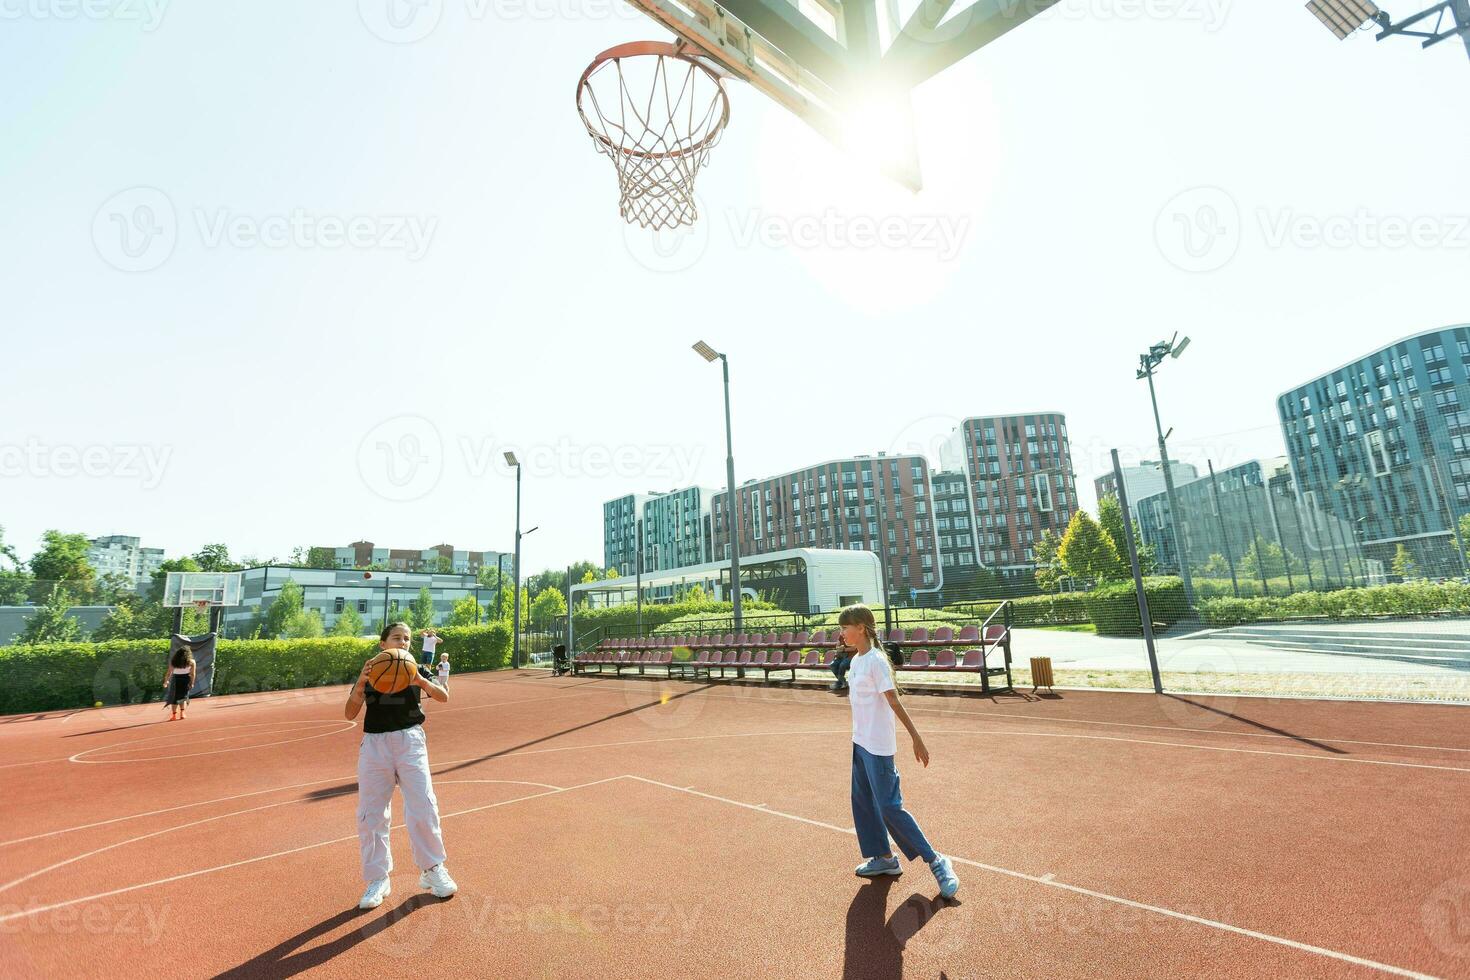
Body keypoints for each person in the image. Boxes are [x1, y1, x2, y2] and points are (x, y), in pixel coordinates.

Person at [838, 603, 959, 899]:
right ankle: (884, 858)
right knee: (863, 801)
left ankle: (937, 861)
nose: (841, 633)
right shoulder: (856, 661)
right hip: (860, 742)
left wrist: (916, 738)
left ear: (861, 628)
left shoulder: (876, 661)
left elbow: (894, 702)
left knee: (890, 807)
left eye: (845, 628)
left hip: (878, 748)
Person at [345, 622, 458, 910]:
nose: (404, 642)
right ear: (383, 643)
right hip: (374, 744)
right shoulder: (372, 669)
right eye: (397, 637)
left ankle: (432, 869)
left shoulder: (416, 667)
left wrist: (420, 680)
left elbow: (443, 696)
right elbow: (349, 713)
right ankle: (378, 878)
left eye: (407, 639)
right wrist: (360, 683)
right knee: (371, 814)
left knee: (423, 804)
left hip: (410, 740)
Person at [162, 645, 196, 722]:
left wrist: (166, 682)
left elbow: (168, 673)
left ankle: (174, 715)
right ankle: (182, 713)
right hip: (186, 680)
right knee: (182, 697)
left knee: (174, 698)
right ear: (188, 653)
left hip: (175, 680)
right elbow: (193, 674)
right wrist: (192, 683)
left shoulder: (173, 661)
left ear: (178, 653)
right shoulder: (192, 661)